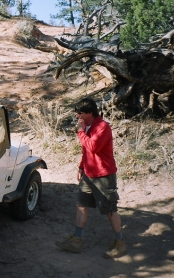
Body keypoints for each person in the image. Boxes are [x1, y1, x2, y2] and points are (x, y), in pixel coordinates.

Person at [55, 97, 127, 258]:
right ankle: (77, 240)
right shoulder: (87, 126)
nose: (77, 116)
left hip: (104, 175)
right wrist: (81, 166)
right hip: (89, 173)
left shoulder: (102, 127)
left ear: (90, 112)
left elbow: (93, 147)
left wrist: (80, 131)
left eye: (80, 113)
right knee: (81, 204)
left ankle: (120, 243)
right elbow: (86, 151)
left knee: (110, 210)